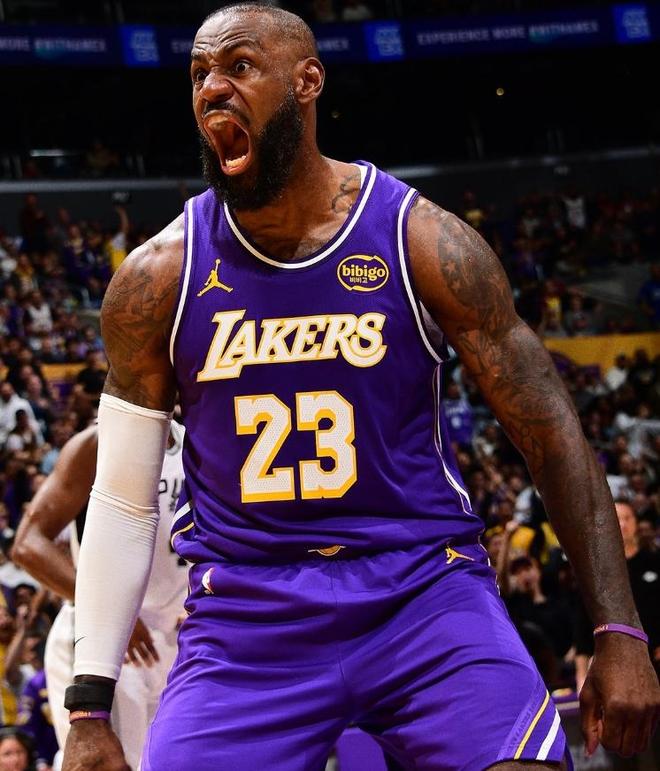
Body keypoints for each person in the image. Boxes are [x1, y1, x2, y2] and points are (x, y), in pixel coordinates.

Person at [62, 5, 659, 771]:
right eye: (198, 73)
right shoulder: (156, 277)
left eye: (239, 66)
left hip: (423, 588)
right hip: (248, 615)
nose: (211, 87)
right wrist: (88, 704)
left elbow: (550, 432)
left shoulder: (422, 240)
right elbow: (121, 499)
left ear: (307, 81)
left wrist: (619, 627)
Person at [12, 419, 187, 770]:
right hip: (105, 644)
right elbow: (28, 544)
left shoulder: (194, 440)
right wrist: (113, 612)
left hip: (174, 639)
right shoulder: (99, 441)